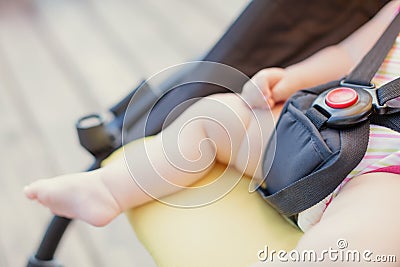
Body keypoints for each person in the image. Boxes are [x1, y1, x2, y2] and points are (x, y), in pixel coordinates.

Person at [24, 1, 400, 265]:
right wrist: (293, 78)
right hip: (317, 132)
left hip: (383, 179)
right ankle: (109, 189)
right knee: (214, 117)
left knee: (365, 236)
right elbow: (349, 54)